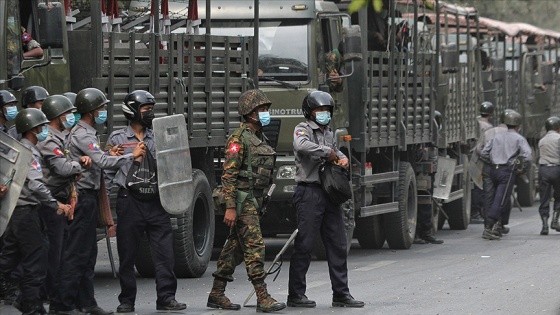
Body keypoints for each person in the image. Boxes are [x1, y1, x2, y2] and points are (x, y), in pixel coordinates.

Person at [49, 88, 145, 315]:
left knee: (88, 253)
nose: (104, 112)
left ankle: (86, 302)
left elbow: (99, 157)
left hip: (88, 198)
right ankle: (63, 305)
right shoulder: (83, 134)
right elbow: (101, 162)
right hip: (83, 199)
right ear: (92, 111)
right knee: (77, 253)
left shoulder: (86, 132)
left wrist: (111, 154)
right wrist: (130, 156)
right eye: (101, 108)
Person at [104, 90, 186, 313]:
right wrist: (106, 212)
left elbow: (174, 167)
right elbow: (108, 173)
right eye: (145, 110)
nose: (149, 114)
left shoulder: (159, 135)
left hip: (156, 201)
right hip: (129, 201)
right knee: (127, 254)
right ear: (132, 111)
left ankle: (167, 298)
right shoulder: (117, 138)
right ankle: (127, 300)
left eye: (151, 110)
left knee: (165, 254)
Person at [207, 89, 285, 313]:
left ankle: (217, 293)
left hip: (254, 201)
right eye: (261, 110)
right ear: (249, 112)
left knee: (234, 249)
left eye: (266, 110)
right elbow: (228, 176)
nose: (265, 113)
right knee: (255, 248)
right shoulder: (238, 139)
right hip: (242, 202)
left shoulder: (260, 137)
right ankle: (262, 296)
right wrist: (230, 207)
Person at [288, 91, 363, 308]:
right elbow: (301, 146)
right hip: (309, 193)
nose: (324, 114)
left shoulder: (329, 133)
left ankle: (341, 294)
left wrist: (342, 158)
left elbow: (337, 151)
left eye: (327, 110)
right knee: (305, 244)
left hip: (329, 194)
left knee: (338, 243)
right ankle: (295, 294)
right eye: (320, 110)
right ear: (310, 112)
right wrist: (327, 152)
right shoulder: (302, 129)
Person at [0, 108, 72, 315]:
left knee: (9, 260)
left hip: (15, 213)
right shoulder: (29, 152)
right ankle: (32, 307)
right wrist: (56, 204)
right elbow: (36, 185)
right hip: (27, 213)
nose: (45, 131)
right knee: (36, 262)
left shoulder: (18, 149)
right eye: (42, 127)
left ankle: (24, 299)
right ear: (34, 129)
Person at [37, 95, 90, 303]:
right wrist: (80, 165)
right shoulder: (49, 140)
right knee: (53, 252)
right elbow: (62, 167)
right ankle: (48, 295)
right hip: (51, 202)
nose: (71, 117)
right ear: (58, 116)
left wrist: (74, 166)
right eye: (67, 113)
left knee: (60, 249)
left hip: (59, 198)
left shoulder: (60, 136)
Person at [479, 110, 532, 240]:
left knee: (492, 198)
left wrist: (493, 162)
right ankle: (489, 228)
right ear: (518, 125)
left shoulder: (496, 136)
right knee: (501, 200)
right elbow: (528, 156)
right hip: (506, 172)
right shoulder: (519, 138)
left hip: (493, 170)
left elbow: (484, 153)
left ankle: (496, 227)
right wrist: (521, 169)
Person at [477, 110, 512, 236]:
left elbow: (478, 149)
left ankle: (488, 226)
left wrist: (489, 160)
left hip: (488, 168)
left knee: (489, 197)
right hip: (504, 168)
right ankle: (499, 225)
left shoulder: (489, 131)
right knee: (502, 197)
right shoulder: (511, 134)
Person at [414, 110, 444, 245]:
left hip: (428, 173)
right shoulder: (425, 140)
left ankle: (425, 232)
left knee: (426, 204)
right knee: (423, 204)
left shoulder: (431, 137)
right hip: (423, 173)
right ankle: (421, 233)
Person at [471, 101, 495, 224]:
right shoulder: (488, 127)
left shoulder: (475, 121)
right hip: (480, 156)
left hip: (471, 155)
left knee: (474, 182)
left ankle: (475, 211)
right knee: (479, 185)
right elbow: (487, 146)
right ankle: (475, 211)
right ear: (490, 114)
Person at [536, 116, 560, 235]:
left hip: (544, 170)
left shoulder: (542, 140)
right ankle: (555, 221)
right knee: (558, 196)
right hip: (557, 169)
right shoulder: (558, 138)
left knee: (544, 198)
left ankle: (544, 225)